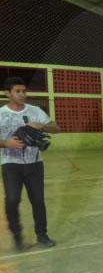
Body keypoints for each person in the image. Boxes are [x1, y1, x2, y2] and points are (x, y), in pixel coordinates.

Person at [0, 77, 60, 251]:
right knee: (12, 200)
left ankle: (42, 235)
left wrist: (40, 125)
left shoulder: (35, 111)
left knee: (38, 200)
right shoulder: (1, 113)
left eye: (24, 91)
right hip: (10, 163)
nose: (21, 94)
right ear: (7, 93)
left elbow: (56, 128)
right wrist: (6, 144)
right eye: (17, 91)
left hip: (35, 164)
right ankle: (17, 237)